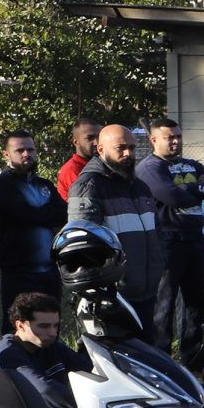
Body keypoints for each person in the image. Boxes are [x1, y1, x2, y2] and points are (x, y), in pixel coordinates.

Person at [64, 122, 166, 319]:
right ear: (101, 149)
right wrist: (103, 289)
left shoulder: (140, 187)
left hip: (147, 291)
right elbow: (83, 247)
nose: (128, 153)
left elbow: (157, 232)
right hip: (114, 298)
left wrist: (160, 262)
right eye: (121, 148)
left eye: (132, 147)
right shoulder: (89, 186)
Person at [135, 117, 204, 364]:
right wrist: (197, 190)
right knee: (165, 303)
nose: (175, 141)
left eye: (178, 136)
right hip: (167, 240)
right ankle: (161, 359)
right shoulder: (150, 168)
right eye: (169, 137)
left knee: (195, 301)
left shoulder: (191, 164)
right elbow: (172, 197)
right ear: (153, 140)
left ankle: (191, 357)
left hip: (195, 238)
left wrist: (192, 191)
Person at [0, 132, 62, 337]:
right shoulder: (1, 185)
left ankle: (50, 366)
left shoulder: (44, 185)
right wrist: (48, 213)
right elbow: (26, 214)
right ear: (6, 154)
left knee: (51, 325)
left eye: (30, 149)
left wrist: (42, 214)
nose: (26, 154)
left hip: (49, 270)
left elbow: (63, 213)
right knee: (18, 327)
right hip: (19, 271)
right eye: (19, 150)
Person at [55, 121, 100, 200]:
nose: (97, 143)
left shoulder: (98, 165)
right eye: (89, 138)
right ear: (76, 142)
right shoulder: (72, 169)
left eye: (99, 137)